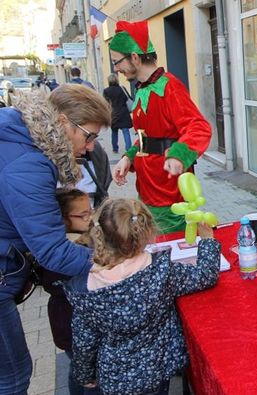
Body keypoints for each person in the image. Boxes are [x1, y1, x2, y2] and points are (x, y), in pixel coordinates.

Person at [0, 84, 111, 394]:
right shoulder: (30, 165)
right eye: (88, 136)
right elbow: (54, 253)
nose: (90, 147)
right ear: (63, 123)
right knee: (13, 377)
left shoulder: (18, 132)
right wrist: (114, 260)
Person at [64, 198, 221, 395]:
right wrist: (207, 240)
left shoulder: (87, 288)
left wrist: (85, 375)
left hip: (114, 377)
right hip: (156, 369)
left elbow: (84, 341)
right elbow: (204, 275)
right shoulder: (160, 272)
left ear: (99, 234)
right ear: (146, 232)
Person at [109, 20, 212, 233]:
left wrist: (178, 155)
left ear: (135, 58)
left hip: (169, 191)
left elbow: (199, 127)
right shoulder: (142, 89)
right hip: (147, 187)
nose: (116, 69)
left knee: (173, 246)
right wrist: (128, 157)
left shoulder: (170, 87)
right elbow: (146, 137)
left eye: (117, 62)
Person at [41, 188, 97, 395]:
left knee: (79, 371)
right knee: (90, 376)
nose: (90, 217)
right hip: (70, 326)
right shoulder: (63, 252)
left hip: (75, 326)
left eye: (91, 210)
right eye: (83, 214)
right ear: (63, 219)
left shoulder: (81, 237)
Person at [102, 73, 133, 153]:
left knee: (114, 132)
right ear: (117, 80)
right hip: (123, 113)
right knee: (126, 131)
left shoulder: (106, 91)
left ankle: (115, 149)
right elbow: (127, 98)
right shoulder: (122, 89)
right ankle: (129, 149)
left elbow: (105, 103)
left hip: (113, 114)